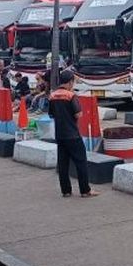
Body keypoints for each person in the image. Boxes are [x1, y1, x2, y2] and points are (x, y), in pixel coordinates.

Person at [48, 69, 99, 198]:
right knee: (81, 162)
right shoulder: (71, 96)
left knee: (63, 163)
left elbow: (51, 114)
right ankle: (85, 190)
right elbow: (78, 114)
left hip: (60, 134)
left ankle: (66, 191)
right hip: (72, 134)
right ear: (70, 82)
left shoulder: (53, 95)